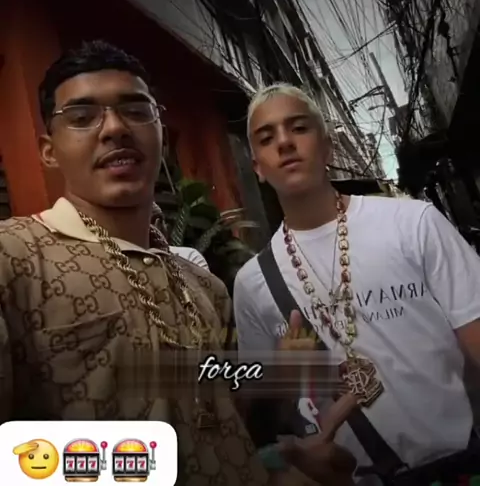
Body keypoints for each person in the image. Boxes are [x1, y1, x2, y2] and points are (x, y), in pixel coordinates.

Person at [0, 42, 356, 486]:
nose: (115, 128)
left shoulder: (204, 286)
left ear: (161, 134)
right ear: (49, 150)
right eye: (82, 116)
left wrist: (279, 450)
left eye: (136, 110)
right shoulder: (14, 257)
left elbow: (223, 414)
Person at [234, 83, 480, 484]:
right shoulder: (252, 283)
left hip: (461, 467)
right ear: (257, 167)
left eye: (298, 128)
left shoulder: (412, 223)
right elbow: (257, 416)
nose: (284, 142)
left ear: (327, 147)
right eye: (266, 137)